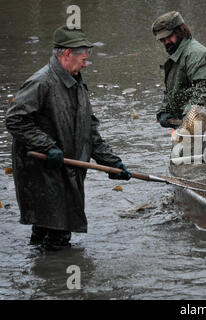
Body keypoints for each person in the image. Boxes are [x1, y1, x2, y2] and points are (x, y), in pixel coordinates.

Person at [5, 26, 132, 251]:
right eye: (82, 59)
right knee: (58, 235)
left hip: (66, 171)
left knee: (47, 231)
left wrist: (111, 162)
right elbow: (15, 120)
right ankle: (57, 281)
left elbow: (90, 131)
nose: (85, 64)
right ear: (66, 54)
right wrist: (47, 146)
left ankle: (42, 276)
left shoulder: (77, 83)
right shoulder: (41, 83)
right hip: (43, 172)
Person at [152, 11, 206, 128]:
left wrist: (189, 114)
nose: (166, 42)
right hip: (188, 127)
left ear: (180, 31)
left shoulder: (195, 55)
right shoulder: (177, 55)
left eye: (169, 37)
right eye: (162, 40)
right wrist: (165, 110)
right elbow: (175, 91)